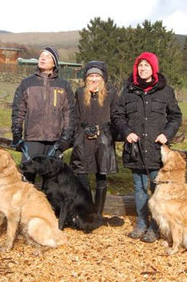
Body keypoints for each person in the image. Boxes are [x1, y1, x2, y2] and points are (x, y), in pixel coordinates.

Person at [113, 52, 182, 243]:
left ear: (153, 69)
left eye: (146, 65)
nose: (142, 68)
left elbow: (176, 116)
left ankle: (155, 226)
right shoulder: (128, 91)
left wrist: (166, 134)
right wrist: (126, 131)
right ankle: (142, 223)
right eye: (140, 65)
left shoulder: (165, 91)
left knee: (157, 189)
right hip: (136, 149)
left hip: (156, 149)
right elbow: (118, 116)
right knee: (139, 188)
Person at [11, 46, 75, 182]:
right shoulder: (27, 83)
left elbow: (70, 114)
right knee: (27, 181)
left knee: (53, 182)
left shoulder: (64, 86)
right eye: (41, 56)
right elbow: (18, 111)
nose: (42, 58)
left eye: (47, 56)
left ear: (54, 63)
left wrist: (65, 139)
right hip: (32, 139)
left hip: (55, 142)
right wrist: (16, 134)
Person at [70, 61, 118, 215]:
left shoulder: (111, 94)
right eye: (91, 76)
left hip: (103, 139)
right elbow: (74, 117)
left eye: (97, 76)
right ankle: (87, 210)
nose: (94, 79)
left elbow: (116, 117)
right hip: (83, 139)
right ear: (86, 78)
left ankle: (98, 214)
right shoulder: (79, 93)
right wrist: (77, 135)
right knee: (81, 174)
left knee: (101, 175)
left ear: (103, 79)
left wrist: (108, 134)